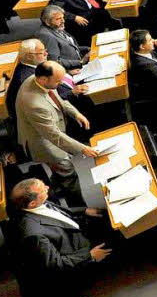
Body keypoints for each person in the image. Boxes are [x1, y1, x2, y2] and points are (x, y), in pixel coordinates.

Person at [7, 177, 111, 297]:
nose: (48, 188)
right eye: (43, 189)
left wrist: (85, 210)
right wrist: (90, 256)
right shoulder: (33, 234)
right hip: (75, 255)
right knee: (118, 239)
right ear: (32, 203)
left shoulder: (37, 203)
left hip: (74, 234)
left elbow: (61, 213)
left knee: (108, 215)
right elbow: (56, 265)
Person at [15, 60, 99, 206]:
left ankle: (53, 190)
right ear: (43, 79)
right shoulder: (34, 103)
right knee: (68, 174)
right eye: (58, 81)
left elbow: (58, 100)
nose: (60, 84)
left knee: (59, 172)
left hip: (50, 133)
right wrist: (83, 148)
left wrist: (75, 113)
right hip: (46, 144)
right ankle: (80, 209)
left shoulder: (39, 80)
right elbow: (53, 135)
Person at [37, 5, 89, 71]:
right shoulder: (46, 36)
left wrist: (88, 49)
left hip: (80, 61)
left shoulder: (56, 27)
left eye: (63, 18)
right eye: (58, 19)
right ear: (47, 22)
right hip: (72, 70)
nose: (63, 21)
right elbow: (55, 62)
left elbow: (72, 47)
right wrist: (81, 62)